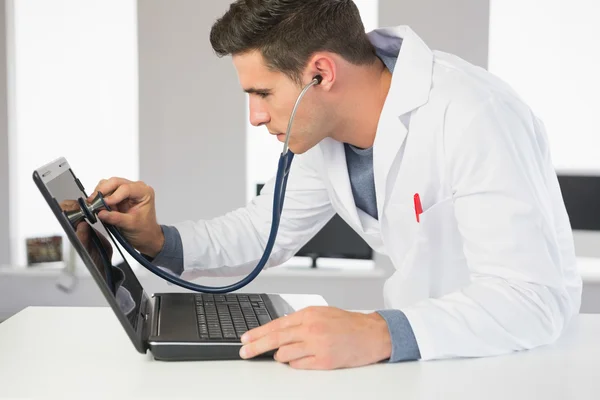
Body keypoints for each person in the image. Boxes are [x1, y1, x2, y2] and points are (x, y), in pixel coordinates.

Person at [89, 0, 582, 370]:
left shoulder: (474, 114)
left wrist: (377, 330)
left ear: (321, 73)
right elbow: (264, 231)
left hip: (516, 366)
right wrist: (156, 239)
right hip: (424, 366)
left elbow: (532, 298)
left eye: (262, 93)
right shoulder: (323, 134)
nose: (256, 116)